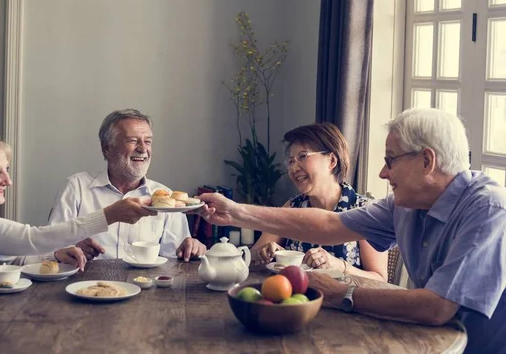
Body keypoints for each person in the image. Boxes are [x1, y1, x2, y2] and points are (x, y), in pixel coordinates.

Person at [195, 108, 506, 354]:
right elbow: (330, 224)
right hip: (428, 339)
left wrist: (344, 293)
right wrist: (235, 211)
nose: (383, 172)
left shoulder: (488, 209)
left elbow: (438, 306)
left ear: (426, 160)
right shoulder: (406, 203)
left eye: (390, 160)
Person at [0, 128, 156, 306]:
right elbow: (29, 238)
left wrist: (55, 255)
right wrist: (109, 215)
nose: (8, 180)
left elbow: (8, 257)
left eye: (7, 170)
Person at [48, 109, 206, 262]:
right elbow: (48, 247)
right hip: (86, 286)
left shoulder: (166, 199)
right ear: (107, 148)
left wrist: (190, 249)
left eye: (148, 141)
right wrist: (69, 250)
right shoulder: (76, 188)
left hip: (145, 286)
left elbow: (174, 259)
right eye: (132, 140)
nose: (143, 148)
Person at [251, 123, 387, 281]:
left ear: (332, 161)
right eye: (290, 161)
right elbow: (252, 257)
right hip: (297, 300)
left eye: (302, 156)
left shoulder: (364, 209)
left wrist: (339, 265)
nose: (294, 168)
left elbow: (380, 279)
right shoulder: (293, 206)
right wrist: (264, 253)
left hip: (343, 303)